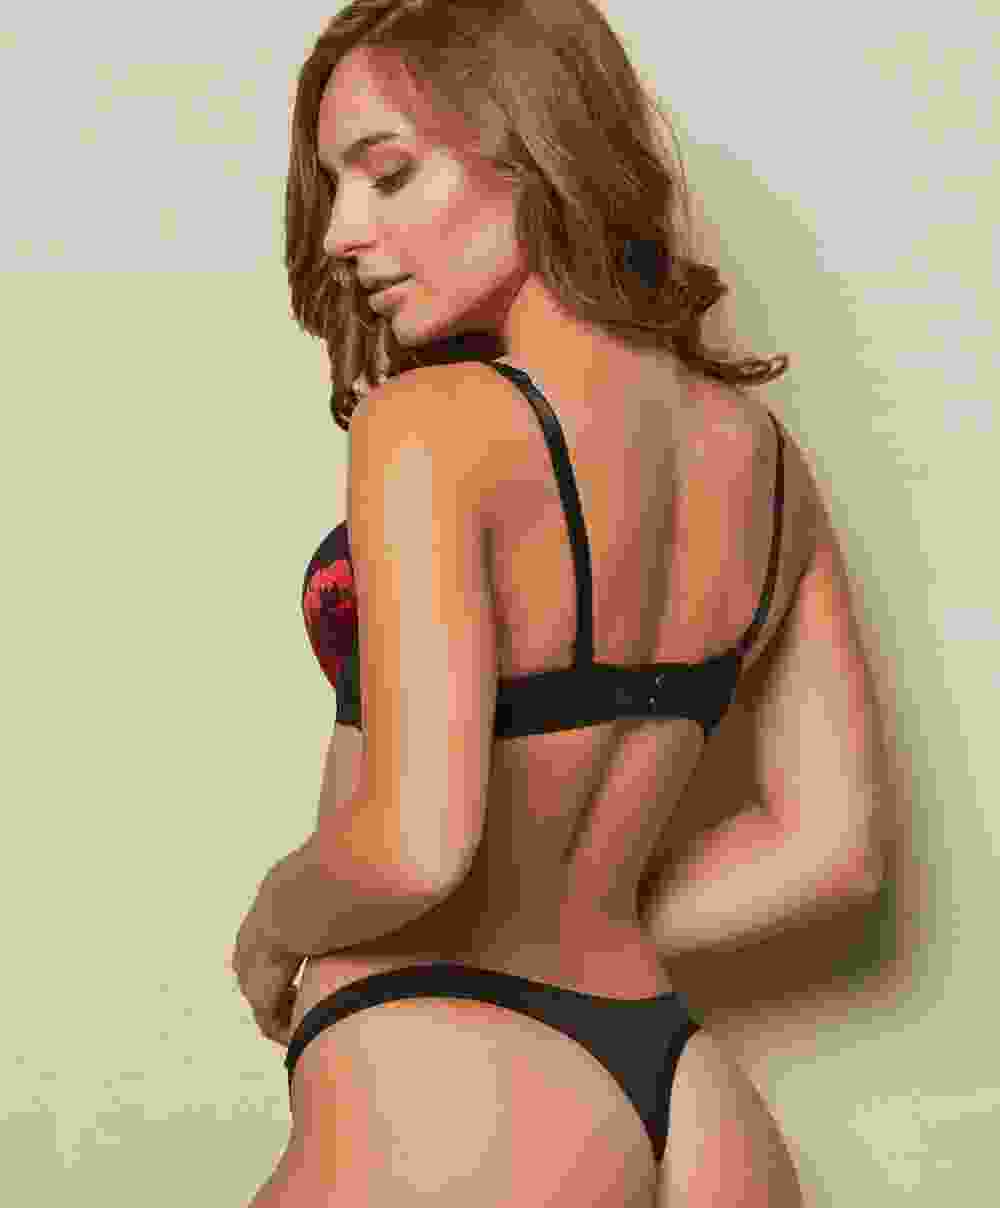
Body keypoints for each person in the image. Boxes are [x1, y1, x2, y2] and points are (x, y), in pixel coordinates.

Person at [250, 2, 887, 1203]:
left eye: (389, 173)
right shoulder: (763, 462)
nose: (341, 231)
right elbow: (829, 852)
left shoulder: (430, 429)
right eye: (332, 188)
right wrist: (585, 929)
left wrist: (273, 924)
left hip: (445, 1071)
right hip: (694, 1101)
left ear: (538, 146)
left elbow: (411, 848)